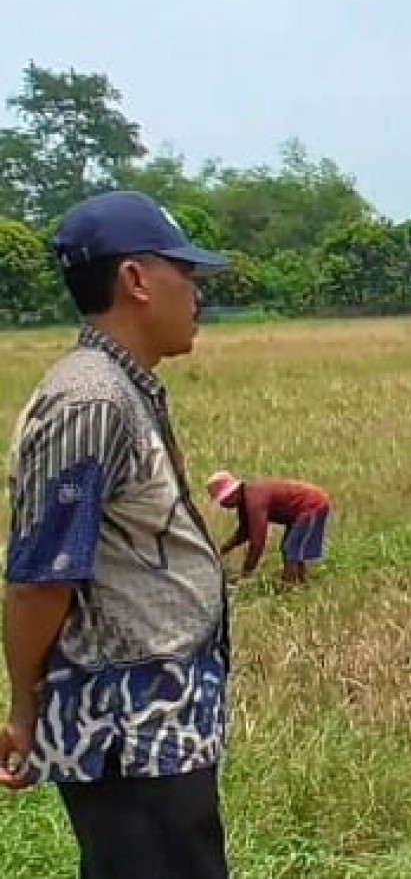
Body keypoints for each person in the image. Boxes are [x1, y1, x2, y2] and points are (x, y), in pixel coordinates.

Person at [0, 190, 234, 877]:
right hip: (127, 729)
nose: (196, 294)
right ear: (135, 280)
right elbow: (41, 576)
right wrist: (24, 701)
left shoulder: (119, 388)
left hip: (155, 719)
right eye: (184, 275)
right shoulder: (91, 400)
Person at [206, 470, 332, 586]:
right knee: (290, 548)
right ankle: (300, 581)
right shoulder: (246, 500)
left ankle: (289, 585)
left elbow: (258, 541)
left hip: (312, 505)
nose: (223, 505)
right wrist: (224, 548)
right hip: (300, 510)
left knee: (291, 548)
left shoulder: (254, 500)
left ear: (233, 493)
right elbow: (245, 531)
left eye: (223, 500)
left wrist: (246, 572)